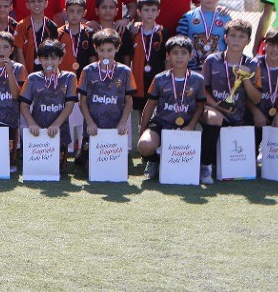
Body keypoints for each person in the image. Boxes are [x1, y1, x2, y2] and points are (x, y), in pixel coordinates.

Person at [136, 36, 207, 180]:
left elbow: (200, 107)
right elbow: (150, 105)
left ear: (190, 55)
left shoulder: (198, 80)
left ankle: (198, 165)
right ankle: (153, 160)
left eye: (183, 53)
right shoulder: (160, 79)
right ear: (168, 56)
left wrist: (191, 126)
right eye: (175, 53)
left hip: (185, 126)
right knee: (144, 145)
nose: (179, 57)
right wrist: (143, 130)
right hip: (161, 123)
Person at [201, 18, 258, 183]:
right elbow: (202, 90)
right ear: (225, 38)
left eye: (241, 37)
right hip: (214, 109)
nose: (236, 40)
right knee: (214, 118)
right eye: (232, 36)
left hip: (238, 115)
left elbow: (256, 98)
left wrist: (245, 79)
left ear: (248, 41)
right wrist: (217, 105)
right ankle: (205, 167)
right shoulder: (212, 60)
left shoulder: (252, 64)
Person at [77, 29, 133, 170]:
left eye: (110, 50)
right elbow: (82, 102)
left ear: (117, 49)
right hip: (93, 128)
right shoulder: (88, 71)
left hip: (115, 128)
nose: (106, 54)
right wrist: (90, 122)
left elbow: (129, 101)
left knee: (113, 166)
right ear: (95, 48)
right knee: (91, 168)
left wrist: (122, 123)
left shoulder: (125, 71)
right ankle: (83, 154)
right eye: (102, 50)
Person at [19, 39, 77, 172]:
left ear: (60, 59)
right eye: (45, 58)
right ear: (39, 59)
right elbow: (24, 105)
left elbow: (69, 105)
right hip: (37, 132)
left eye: (53, 58)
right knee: (37, 169)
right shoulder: (32, 78)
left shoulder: (69, 78)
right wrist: (32, 124)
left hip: (60, 131)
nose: (49, 62)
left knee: (59, 171)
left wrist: (56, 125)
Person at [247, 28, 278, 132]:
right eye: (271, 44)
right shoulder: (254, 64)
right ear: (265, 45)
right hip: (252, 111)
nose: (274, 49)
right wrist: (256, 112)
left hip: (275, 110)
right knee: (256, 138)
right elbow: (243, 94)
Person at [178, 0, 232, 69]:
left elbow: (230, 44)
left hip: (218, 68)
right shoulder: (188, 17)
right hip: (192, 68)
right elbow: (180, 44)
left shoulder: (226, 18)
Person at [14, 0, 60, 68]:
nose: (36, 4)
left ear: (46, 4)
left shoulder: (52, 26)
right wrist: (24, 73)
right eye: (32, 1)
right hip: (27, 71)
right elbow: (19, 51)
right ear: (27, 5)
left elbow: (54, 52)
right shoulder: (22, 25)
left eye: (40, 1)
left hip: (47, 71)